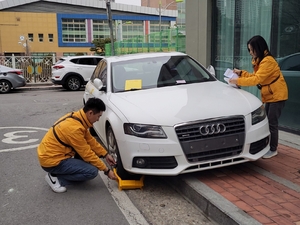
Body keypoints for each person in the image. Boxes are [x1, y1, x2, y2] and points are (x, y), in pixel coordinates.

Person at [37, 98, 117, 193]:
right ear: (90, 113)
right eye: (98, 116)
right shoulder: (74, 129)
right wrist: (107, 171)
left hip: (52, 154)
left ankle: (65, 172)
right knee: (92, 172)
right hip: (52, 161)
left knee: (88, 161)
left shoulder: (78, 118)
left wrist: (105, 154)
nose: (98, 119)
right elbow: (87, 153)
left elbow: (90, 140)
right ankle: (56, 179)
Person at [229, 35, 288, 159]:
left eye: (252, 49)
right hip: (271, 95)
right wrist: (242, 73)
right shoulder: (260, 60)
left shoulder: (268, 61)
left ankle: (273, 149)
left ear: (259, 48)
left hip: (277, 95)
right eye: (249, 50)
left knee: (272, 122)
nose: (250, 52)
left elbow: (256, 79)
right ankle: (267, 147)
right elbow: (255, 76)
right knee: (267, 122)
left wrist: (237, 81)